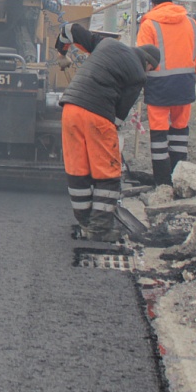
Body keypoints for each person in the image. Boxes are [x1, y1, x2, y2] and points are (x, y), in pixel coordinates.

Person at [57, 27, 160, 242]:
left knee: (78, 170)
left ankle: (86, 222)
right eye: (151, 69)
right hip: (98, 115)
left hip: (70, 109)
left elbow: (69, 29)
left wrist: (62, 53)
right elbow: (119, 115)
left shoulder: (106, 44)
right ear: (149, 63)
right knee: (107, 174)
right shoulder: (139, 74)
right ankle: (100, 228)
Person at [136, 0, 196, 184]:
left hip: (158, 87)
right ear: (171, 1)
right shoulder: (191, 23)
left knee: (159, 134)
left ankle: (162, 181)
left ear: (153, 3)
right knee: (180, 130)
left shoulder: (149, 25)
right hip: (185, 83)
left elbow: (142, 59)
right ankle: (179, 177)